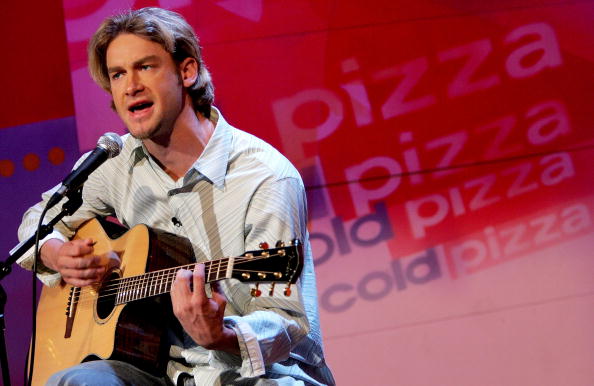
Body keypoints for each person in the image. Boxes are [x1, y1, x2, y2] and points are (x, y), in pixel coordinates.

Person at [17, 7, 334, 385]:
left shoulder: (265, 176)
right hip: (164, 372)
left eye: (145, 67)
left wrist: (221, 335)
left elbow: (286, 320)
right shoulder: (113, 162)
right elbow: (37, 221)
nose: (130, 85)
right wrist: (58, 254)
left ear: (187, 71)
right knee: (73, 381)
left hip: (263, 374)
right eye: (118, 75)